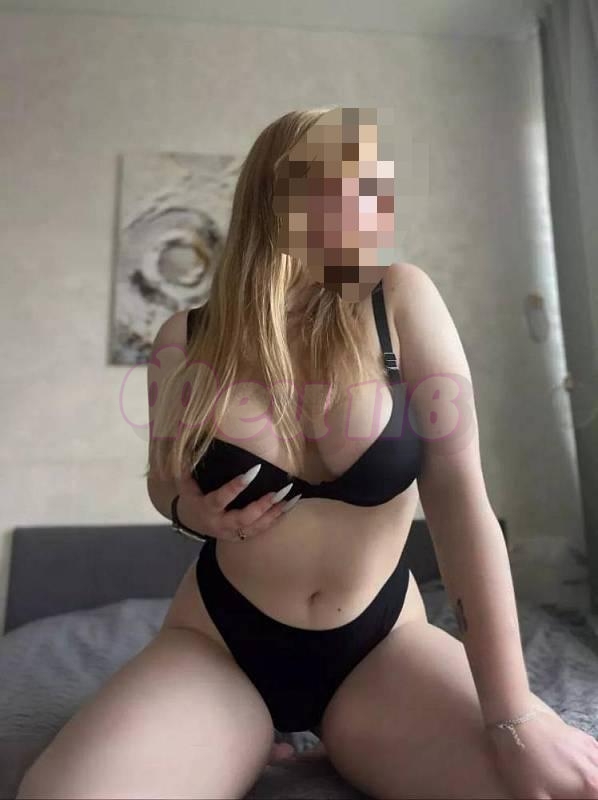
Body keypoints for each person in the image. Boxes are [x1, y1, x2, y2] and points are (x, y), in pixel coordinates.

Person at [18, 107, 598, 800]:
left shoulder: (398, 299)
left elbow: (460, 501)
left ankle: (343, 740)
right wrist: (190, 510)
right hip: (222, 642)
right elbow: (163, 480)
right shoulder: (184, 338)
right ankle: (242, 735)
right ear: (275, 193)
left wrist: (514, 714)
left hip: (379, 646)